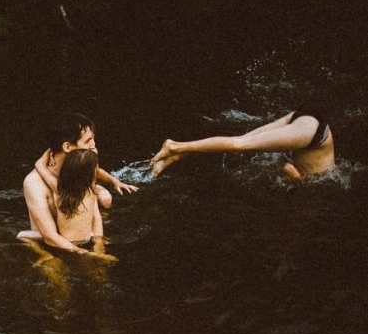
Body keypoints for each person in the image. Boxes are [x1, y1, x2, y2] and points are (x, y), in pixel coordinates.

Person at [17, 113, 127, 260]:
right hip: (51, 242)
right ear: (67, 146)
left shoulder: (83, 168)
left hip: (80, 237)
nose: (93, 145)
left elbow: (96, 215)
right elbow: (49, 236)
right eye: (88, 140)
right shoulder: (34, 182)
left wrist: (99, 246)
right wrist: (85, 253)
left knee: (105, 197)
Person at [151, 108, 335, 180]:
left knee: (241, 141)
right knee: (238, 145)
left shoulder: (330, 170)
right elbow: (288, 168)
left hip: (305, 120)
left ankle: (177, 156)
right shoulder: (310, 191)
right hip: (313, 134)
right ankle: (174, 146)